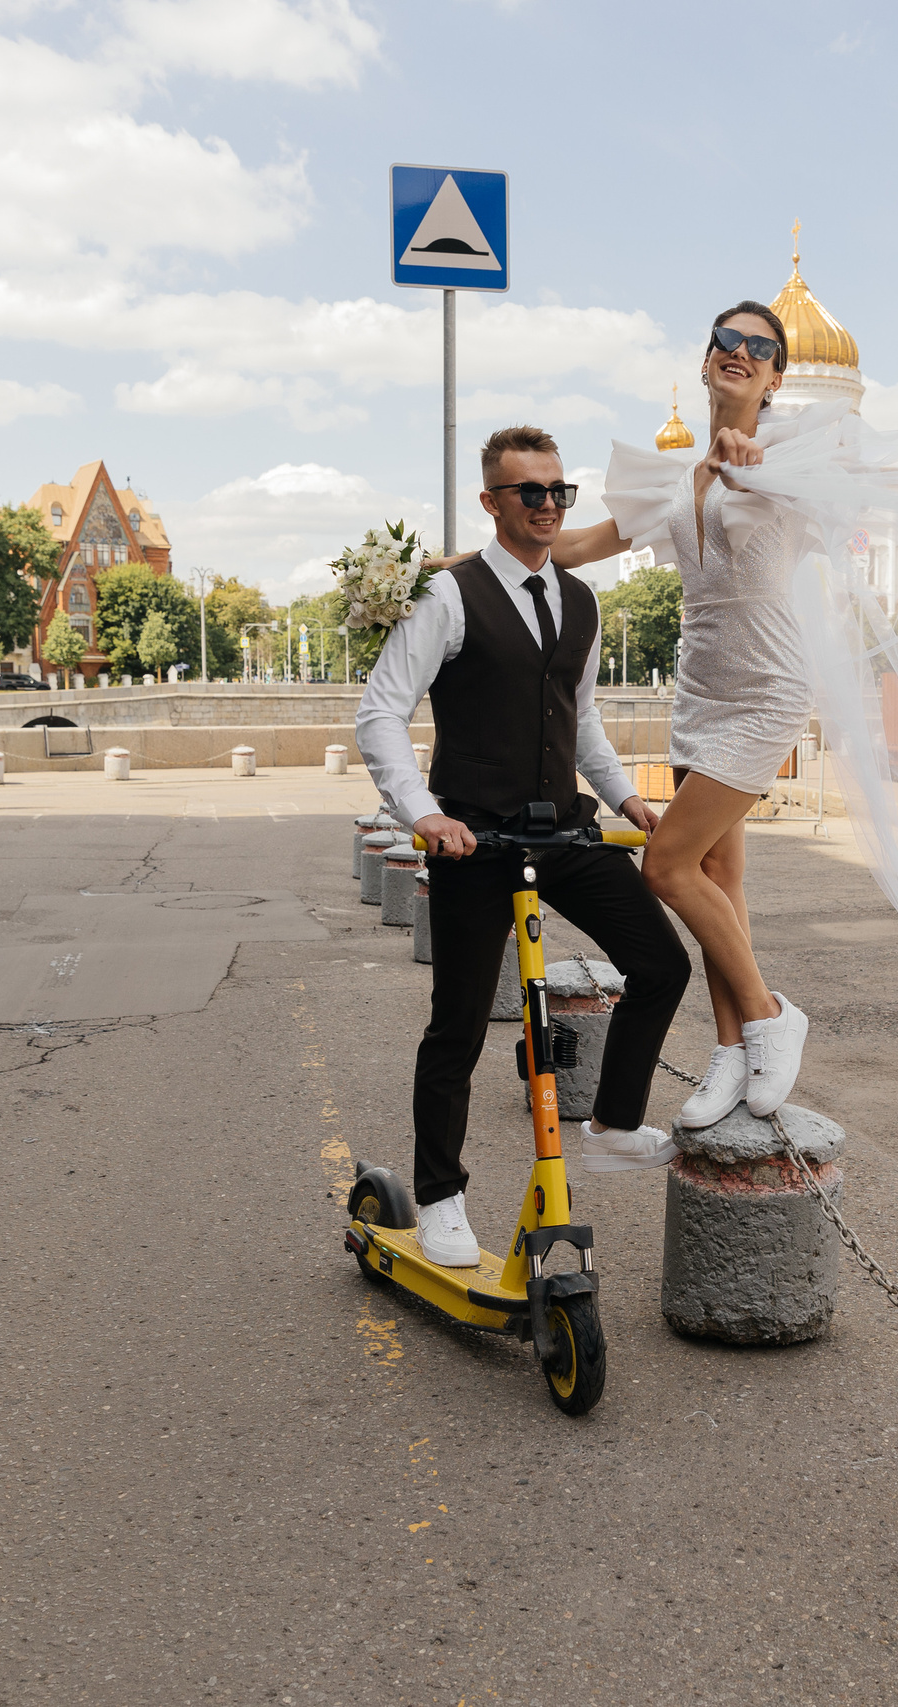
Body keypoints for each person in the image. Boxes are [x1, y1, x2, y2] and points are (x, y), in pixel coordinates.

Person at [356, 425, 691, 1271]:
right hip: (475, 837)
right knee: (458, 1029)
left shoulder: (580, 600)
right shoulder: (450, 596)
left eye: (558, 492)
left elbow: (581, 722)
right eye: (529, 493)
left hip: (562, 828)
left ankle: (613, 1123)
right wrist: (425, 814)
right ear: (491, 502)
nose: (548, 507)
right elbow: (380, 712)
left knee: (661, 963)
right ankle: (440, 1198)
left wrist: (624, 797)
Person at [533, 301, 813, 1127]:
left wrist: (745, 455)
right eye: (727, 341)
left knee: (664, 868)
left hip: (765, 691)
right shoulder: (669, 478)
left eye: (760, 348)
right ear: (706, 361)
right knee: (718, 879)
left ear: (774, 377)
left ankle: (767, 1015)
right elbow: (578, 547)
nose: (741, 352)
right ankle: (731, 1053)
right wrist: (460, 563)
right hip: (699, 695)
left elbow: (767, 465)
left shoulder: (789, 458)